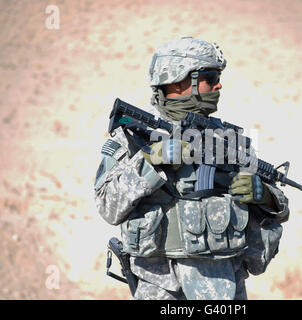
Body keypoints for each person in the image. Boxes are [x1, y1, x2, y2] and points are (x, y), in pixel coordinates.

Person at [94, 37, 290, 300]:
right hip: (162, 285)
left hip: (224, 284)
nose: (219, 84)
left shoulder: (229, 141)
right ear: (178, 81)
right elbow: (107, 205)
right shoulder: (134, 137)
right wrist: (151, 161)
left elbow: (279, 208)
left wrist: (264, 195)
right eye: (210, 77)